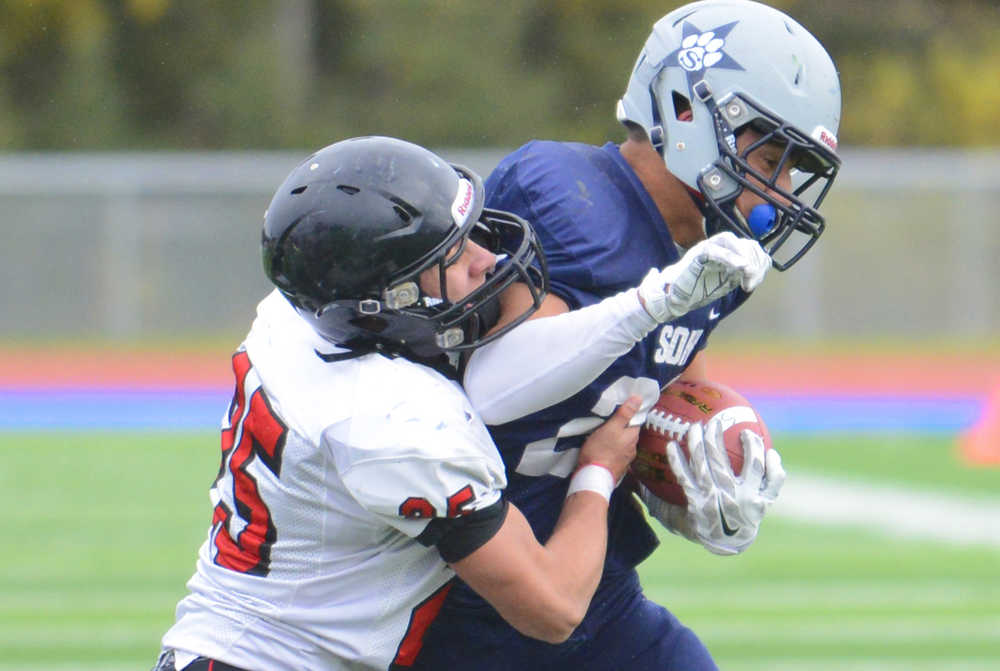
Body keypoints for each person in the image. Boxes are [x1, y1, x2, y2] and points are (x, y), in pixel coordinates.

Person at [411, 1, 842, 669]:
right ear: (689, 112)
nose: (782, 191)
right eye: (772, 156)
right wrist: (652, 301)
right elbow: (499, 385)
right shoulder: (565, 193)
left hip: (593, 584)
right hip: (458, 588)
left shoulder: (711, 255)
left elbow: (664, 388)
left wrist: (702, 468)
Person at [150, 136, 649, 671]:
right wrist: (598, 471)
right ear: (385, 306)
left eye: (469, 237)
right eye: (451, 258)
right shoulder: (392, 422)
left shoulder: (296, 316)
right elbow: (555, 608)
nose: (487, 259)